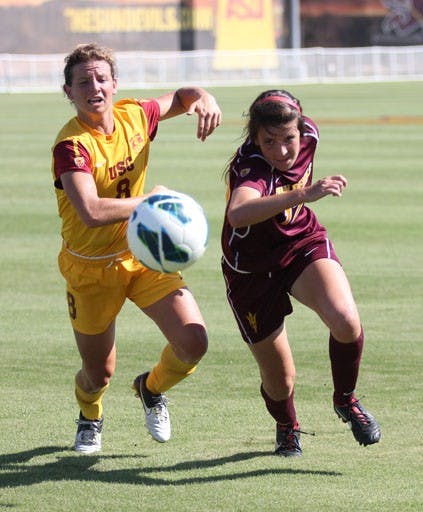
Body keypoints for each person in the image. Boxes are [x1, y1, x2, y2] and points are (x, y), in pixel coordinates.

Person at [51, 43, 221, 453]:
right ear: (69, 92)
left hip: (141, 256)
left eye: (101, 78)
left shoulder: (135, 115)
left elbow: (182, 98)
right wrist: (151, 202)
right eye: (83, 81)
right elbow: (90, 210)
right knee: (98, 374)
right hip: (89, 270)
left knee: (194, 342)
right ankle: (90, 414)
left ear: (115, 84)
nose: (94, 86)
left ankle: (150, 388)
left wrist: (203, 98)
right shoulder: (71, 145)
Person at [221, 89, 381, 457]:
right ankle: (288, 427)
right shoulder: (252, 166)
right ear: (254, 138)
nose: (281, 151)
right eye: (269, 141)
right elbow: (238, 213)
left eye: (288, 139)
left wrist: (302, 200)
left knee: (345, 320)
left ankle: (346, 400)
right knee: (280, 379)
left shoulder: (310, 133)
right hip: (251, 268)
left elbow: (298, 155)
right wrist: (302, 195)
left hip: (300, 242)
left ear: (301, 127)